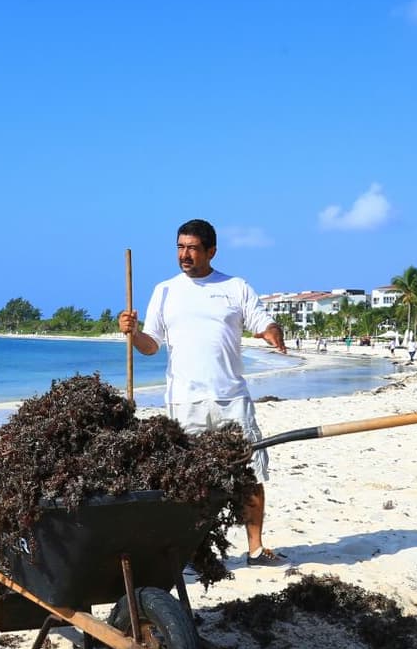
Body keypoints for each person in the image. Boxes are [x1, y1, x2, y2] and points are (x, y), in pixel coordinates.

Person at [119, 219, 290, 566]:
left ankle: (255, 549)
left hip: (232, 398)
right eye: (180, 247)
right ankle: (191, 553)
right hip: (184, 401)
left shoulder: (235, 287)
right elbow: (151, 346)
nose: (185, 254)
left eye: (193, 248)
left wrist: (273, 332)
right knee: (187, 479)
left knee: (250, 473)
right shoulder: (164, 290)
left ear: (211, 251)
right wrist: (133, 332)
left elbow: (262, 321)